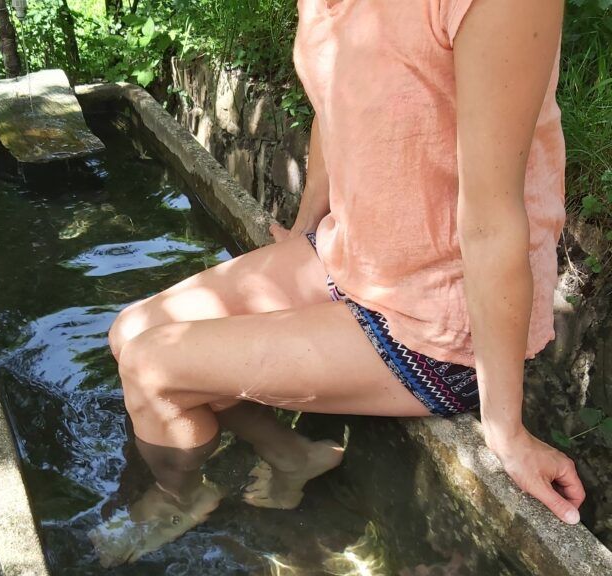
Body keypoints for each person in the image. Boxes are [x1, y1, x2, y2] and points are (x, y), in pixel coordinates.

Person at [101, 0, 586, 561]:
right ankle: (291, 454)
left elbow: (490, 221)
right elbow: (335, 105)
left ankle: (176, 496)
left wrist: (506, 428)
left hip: (441, 313)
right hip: (353, 257)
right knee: (129, 331)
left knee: (152, 367)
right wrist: (306, 231)